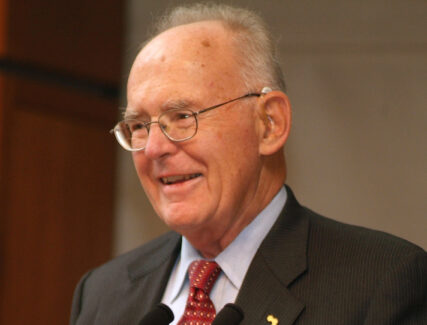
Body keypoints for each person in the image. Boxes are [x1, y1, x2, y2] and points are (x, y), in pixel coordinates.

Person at [70, 3, 426, 325]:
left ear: (269, 124)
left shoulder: (380, 284)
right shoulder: (103, 294)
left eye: (182, 116)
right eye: (138, 126)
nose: (154, 149)